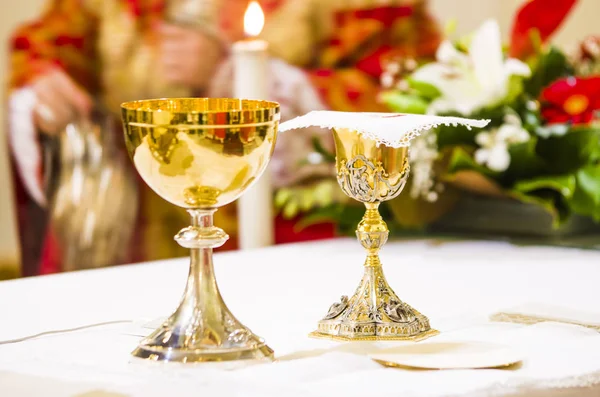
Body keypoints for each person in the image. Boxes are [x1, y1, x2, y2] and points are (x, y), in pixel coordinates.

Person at [7, 0, 440, 275]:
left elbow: (401, 93)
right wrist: (43, 83)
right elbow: (49, 44)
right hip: (144, 235)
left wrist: (235, 73)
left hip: (292, 232)